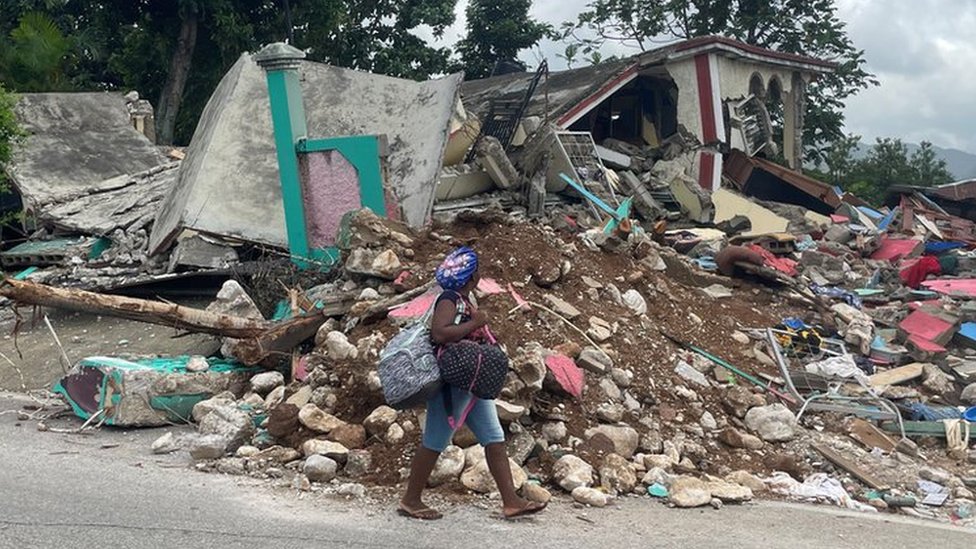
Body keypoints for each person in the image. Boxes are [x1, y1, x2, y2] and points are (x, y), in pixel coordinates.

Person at [398, 247, 546, 520]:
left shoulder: (462, 299)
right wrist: (475, 323)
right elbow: (440, 333)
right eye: (477, 271)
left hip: (470, 384)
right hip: (452, 386)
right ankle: (410, 500)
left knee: (494, 438)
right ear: (472, 277)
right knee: (435, 441)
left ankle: (511, 502)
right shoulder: (449, 300)